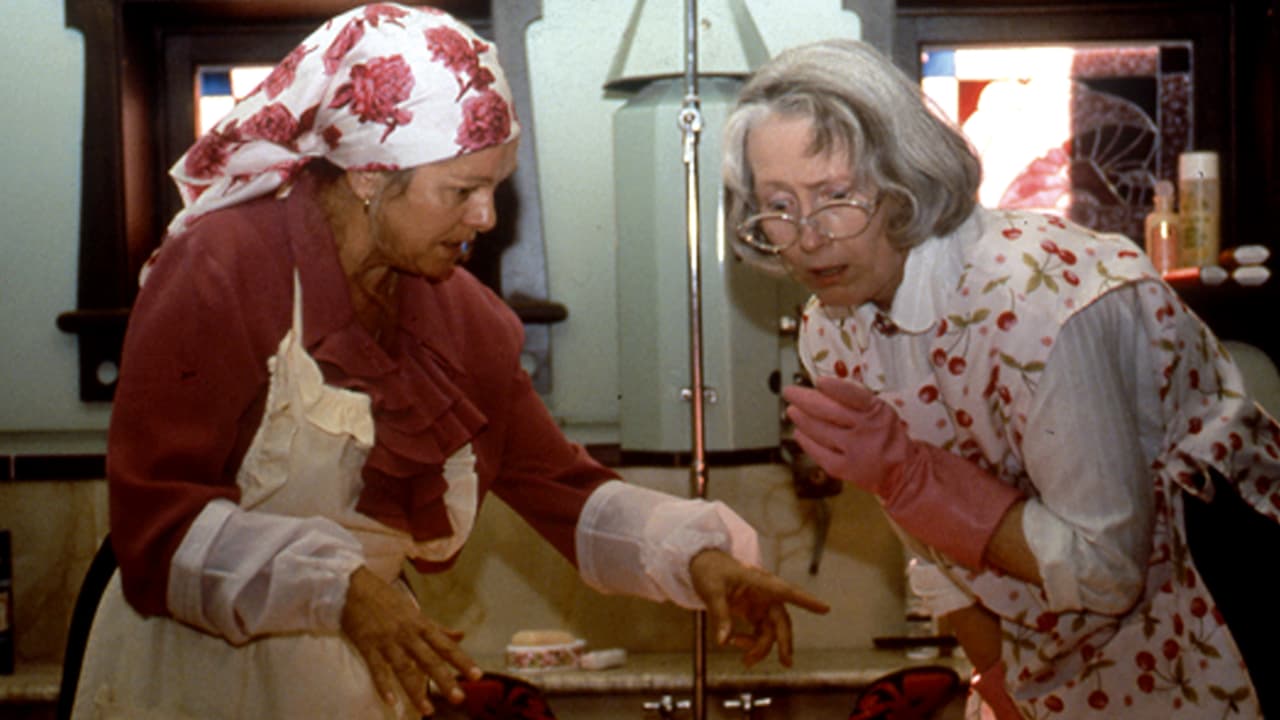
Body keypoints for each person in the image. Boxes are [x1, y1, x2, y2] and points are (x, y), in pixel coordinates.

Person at [69, 5, 829, 719]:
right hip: (188, 671)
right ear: (369, 174)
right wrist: (341, 589)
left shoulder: (462, 320)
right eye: (461, 190)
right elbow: (156, 525)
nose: (486, 218)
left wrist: (699, 560)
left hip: (352, 678)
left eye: (495, 188)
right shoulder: (223, 267)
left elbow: (562, 489)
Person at [721, 38, 1280, 719]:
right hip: (1050, 663)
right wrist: (995, 679)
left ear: (903, 180)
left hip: (1212, 625)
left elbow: (1107, 572)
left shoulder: (1041, 299)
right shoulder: (833, 328)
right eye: (778, 205)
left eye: (837, 195)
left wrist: (915, 479)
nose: (808, 237)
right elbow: (934, 556)